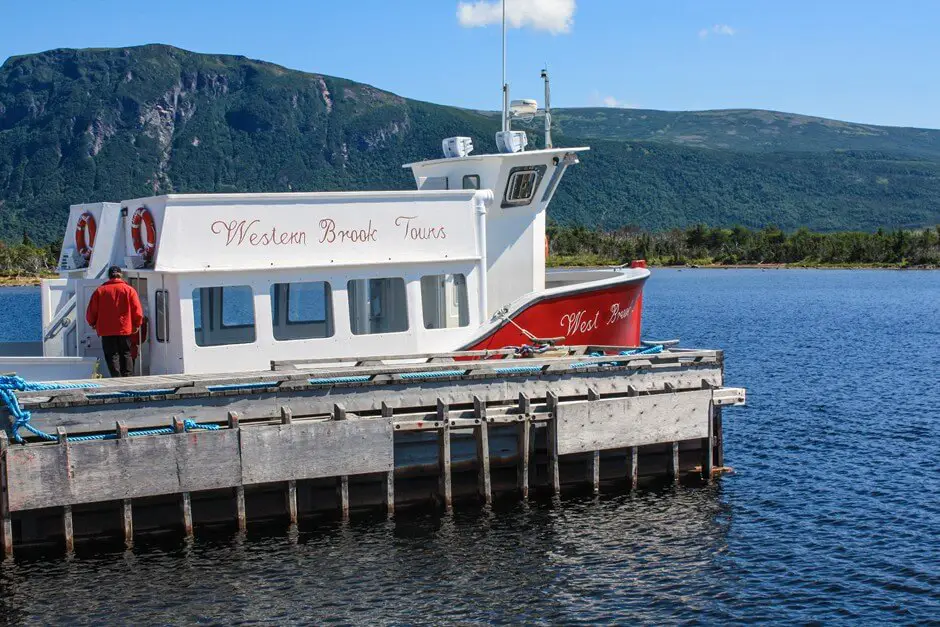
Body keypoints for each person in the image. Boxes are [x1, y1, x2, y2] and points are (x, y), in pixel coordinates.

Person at [85, 266, 144, 377]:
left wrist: (92, 323)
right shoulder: (129, 290)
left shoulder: (100, 291)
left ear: (109, 276)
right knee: (126, 353)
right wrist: (137, 324)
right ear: (120, 275)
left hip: (106, 330)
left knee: (111, 355)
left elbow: (91, 311)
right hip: (125, 328)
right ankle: (127, 377)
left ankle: (116, 377)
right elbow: (137, 310)